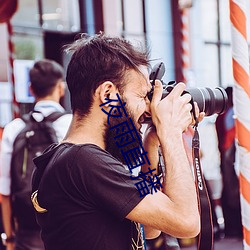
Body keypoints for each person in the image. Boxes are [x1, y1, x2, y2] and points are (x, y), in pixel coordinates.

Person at [31, 33, 202, 250]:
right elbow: (186, 222)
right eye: (142, 96)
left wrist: (151, 144)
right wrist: (171, 133)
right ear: (108, 94)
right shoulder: (83, 162)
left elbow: (150, 228)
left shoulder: (72, 158)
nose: (149, 109)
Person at [0, 59, 72, 250]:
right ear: (60, 88)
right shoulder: (71, 124)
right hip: (67, 230)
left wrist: (9, 239)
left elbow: (5, 191)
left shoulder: (14, 128)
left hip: (27, 233)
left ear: (31, 89)